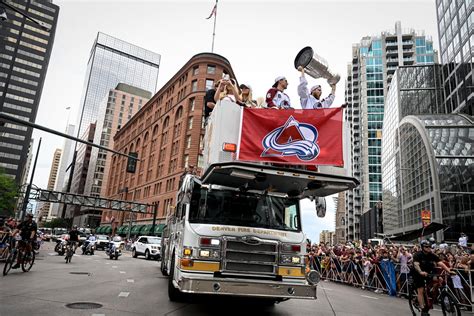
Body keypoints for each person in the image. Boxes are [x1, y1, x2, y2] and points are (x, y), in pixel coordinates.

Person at [412, 240, 453, 315]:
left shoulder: (432, 255)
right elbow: (416, 265)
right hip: (418, 273)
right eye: (426, 247)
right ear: (422, 247)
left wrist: (448, 271)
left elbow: (440, 263)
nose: (428, 248)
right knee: (420, 290)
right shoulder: (417, 255)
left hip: (429, 272)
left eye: (429, 246)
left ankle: (432, 294)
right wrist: (421, 272)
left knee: (439, 279)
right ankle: (423, 309)